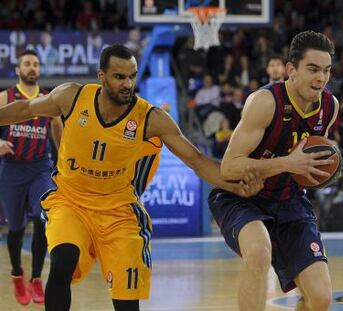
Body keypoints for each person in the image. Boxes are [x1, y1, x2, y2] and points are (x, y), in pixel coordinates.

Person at [0, 44, 262, 311]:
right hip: (70, 202)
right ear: (101, 76)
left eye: (132, 76)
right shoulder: (71, 96)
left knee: (126, 301)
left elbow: (197, 161)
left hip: (118, 211)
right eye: (119, 77)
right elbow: (25, 109)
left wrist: (236, 186)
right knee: (63, 260)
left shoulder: (152, 118)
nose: (128, 84)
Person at [208, 30, 339, 311]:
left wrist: (321, 169)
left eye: (326, 71)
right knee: (258, 253)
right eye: (313, 69)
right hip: (242, 197)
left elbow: (312, 157)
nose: (321, 78)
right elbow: (229, 167)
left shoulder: (329, 106)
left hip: (289, 199)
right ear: (291, 70)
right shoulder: (265, 102)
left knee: (320, 299)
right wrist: (287, 163)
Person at [0, 49, 63, 306]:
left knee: (42, 218)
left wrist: (65, 163)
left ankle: (37, 278)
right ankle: (17, 273)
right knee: (15, 229)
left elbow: (59, 132)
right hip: (12, 169)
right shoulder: (5, 97)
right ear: (18, 70)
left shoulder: (49, 100)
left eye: (35, 64)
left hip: (40, 168)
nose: (32, 67)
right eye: (27, 63)